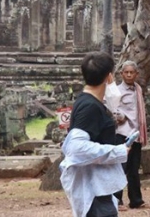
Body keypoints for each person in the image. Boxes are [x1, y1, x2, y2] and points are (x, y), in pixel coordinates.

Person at [60, 51, 129, 217]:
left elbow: (109, 111)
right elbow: (76, 148)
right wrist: (118, 151)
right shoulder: (89, 107)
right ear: (109, 77)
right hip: (92, 188)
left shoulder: (90, 102)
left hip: (99, 185)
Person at [112, 61, 150, 210]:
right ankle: (116, 201)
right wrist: (120, 116)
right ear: (121, 74)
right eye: (126, 72)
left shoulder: (138, 89)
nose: (129, 74)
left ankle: (136, 200)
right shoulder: (116, 91)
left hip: (135, 134)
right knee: (120, 168)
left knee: (134, 169)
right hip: (121, 134)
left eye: (131, 72)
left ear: (136, 74)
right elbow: (110, 107)